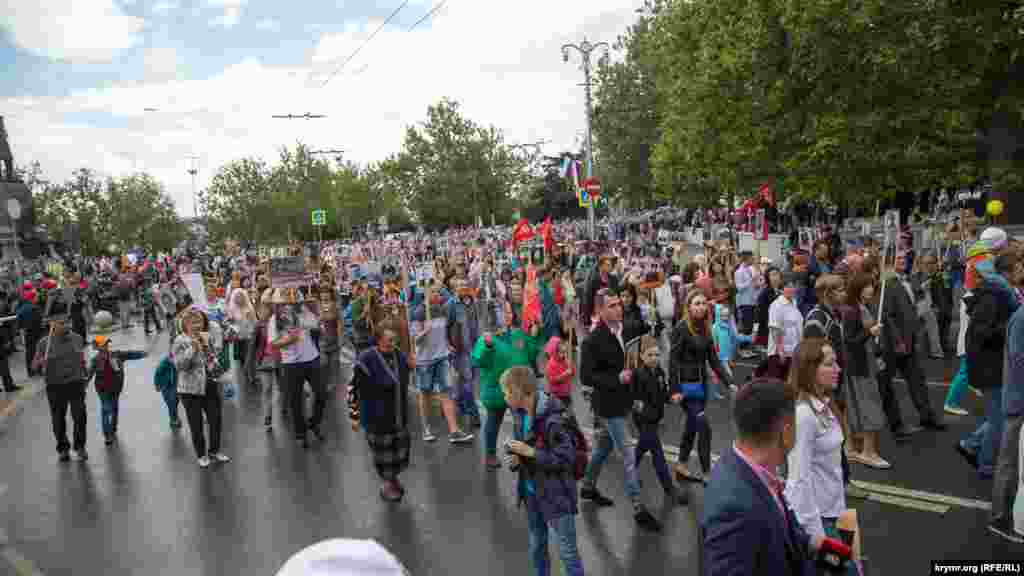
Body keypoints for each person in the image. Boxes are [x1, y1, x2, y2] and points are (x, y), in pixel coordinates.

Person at [702, 380, 854, 576]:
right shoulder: (734, 507)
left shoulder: (756, 470)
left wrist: (838, 556)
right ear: (786, 431)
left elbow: (790, 536)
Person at [580, 288, 661, 531]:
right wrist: (617, 379)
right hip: (607, 406)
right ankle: (638, 508)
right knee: (628, 454)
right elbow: (586, 376)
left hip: (623, 401)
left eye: (619, 304)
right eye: (612, 305)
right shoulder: (592, 340)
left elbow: (629, 361)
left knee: (603, 448)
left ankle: (587, 486)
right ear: (600, 310)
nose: (618, 308)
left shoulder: (624, 330)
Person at [501, 365, 585, 576]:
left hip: (556, 493)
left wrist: (530, 452)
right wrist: (518, 458)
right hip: (532, 491)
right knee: (537, 544)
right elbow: (528, 451)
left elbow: (566, 459)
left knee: (567, 551)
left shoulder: (554, 419)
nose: (504, 396)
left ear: (518, 392)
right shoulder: (521, 413)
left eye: (506, 391)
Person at [785, 338, 860, 575]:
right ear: (810, 369)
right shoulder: (804, 416)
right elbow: (798, 479)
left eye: (836, 363)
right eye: (830, 364)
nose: (837, 369)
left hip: (834, 512)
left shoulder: (825, 406)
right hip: (819, 522)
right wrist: (817, 536)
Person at [670, 290, 732, 484]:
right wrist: (675, 389)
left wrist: (728, 381)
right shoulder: (681, 328)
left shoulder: (705, 328)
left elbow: (713, 359)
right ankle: (707, 473)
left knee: (691, 426)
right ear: (688, 307)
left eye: (704, 303)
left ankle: (681, 464)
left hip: (701, 387)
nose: (701, 306)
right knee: (704, 427)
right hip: (686, 389)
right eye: (697, 303)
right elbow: (673, 360)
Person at [348, 319, 413, 502]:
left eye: (395, 340)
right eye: (389, 340)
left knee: (400, 449)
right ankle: (388, 483)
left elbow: (403, 377)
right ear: (378, 340)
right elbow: (357, 388)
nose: (393, 344)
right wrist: (356, 416)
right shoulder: (366, 359)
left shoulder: (398, 354)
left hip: (398, 413)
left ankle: (393, 479)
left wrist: (410, 366)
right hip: (378, 416)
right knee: (385, 454)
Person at [473, 299, 541, 469]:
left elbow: (531, 355)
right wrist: (487, 346)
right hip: (497, 390)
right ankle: (490, 454)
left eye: (510, 312)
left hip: (517, 391)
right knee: (493, 422)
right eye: (504, 312)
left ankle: (519, 455)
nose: (508, 316)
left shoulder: (518, 334)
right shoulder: (487, 338)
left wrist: (534, 336)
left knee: (520, 423)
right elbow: (478, 360)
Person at [410, 283, 474, 445]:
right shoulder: (418, 313)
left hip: (442, 358)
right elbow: (415, 339)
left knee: (447, 392)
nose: (439, 295)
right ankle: (426, 429)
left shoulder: (442, 310)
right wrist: (424, 331)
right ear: (426, 295)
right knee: (425, 394)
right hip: (425, 361)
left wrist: (447, 344)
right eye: (435, 293)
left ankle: (454, 430)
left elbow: (443, 331)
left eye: (439, 292)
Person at [630, 334, 688, 506]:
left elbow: (662, 394)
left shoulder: (660, 373)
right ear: (642, 356)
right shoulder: (638, 375)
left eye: (656, 354)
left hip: (655, 418)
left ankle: (629, 473)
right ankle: (669, 488)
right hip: (644, 420)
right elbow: (634, 402)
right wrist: (648, 415)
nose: (654, 358)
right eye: (650, 355)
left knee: (641, 448)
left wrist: (672, 398)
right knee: (657, 454)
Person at [172, 306, 230, 468]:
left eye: (198, 321)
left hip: (209, 384)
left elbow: (212, 359)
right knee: (196, 424)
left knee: (215, 420)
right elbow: (179, 366)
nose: (196, 325)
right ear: (185, 325)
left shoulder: (206, 336)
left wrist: (222, 374)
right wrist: (192, 349)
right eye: (192, 322)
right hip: (190, 390)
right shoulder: (179, 340)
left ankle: (215, 451)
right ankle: (201, 454)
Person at [842, 273, 889, 469]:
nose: (871, 289)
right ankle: (867, 452)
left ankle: (851, 448)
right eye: (867, 285)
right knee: (870, 406)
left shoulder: (860, 307)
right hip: (859, 366)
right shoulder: (852, 310)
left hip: (864, 363)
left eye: (872, 285)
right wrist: (870, 332)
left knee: (854, 406)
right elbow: (851, 340)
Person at [269, 288, 327, 447]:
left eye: (295, 299)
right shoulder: (275, 319)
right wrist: (289, 340)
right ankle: (300, 433)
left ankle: (314, 423)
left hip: (311, 359)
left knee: (321, 393)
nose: (291, 302)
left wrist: (316, 310)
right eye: (287, 300)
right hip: (291, 364)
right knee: (295, 401)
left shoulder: (305, 312)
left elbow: (317, 327)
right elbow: (273, 344)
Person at [33, 301, 89, 462]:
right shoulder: (44, 343)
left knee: (80, 416)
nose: (66, 325)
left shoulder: (77, 338)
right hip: (55, 386)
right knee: (58, 419)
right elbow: (34, 366)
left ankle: (80, 447)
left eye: (67, 321)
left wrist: (84, 373)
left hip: (76, 384)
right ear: (52, 324)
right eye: (61, 323)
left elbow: (81, 359)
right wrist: (39, 364)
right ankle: (63, 448)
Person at [992, 291, 1024, 543]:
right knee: (1010, 462)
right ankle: (1001, 518)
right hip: (1018, 401)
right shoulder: (1021, 319)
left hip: (1017, 398)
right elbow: (1018, 360)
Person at [88, 333, 146, 445]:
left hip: (115, 388)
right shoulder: (95, 360)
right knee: (106, 410)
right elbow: (89, 374)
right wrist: (84, 383)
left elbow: (129, 354)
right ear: (97, 348)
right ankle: (107, 435)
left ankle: (113, 429)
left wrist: (141, 354)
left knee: (114, 408)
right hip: (103, 389)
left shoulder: (115, 355)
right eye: (102, 345)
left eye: (106, 344)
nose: (105, 347)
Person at [153, 351, 181, 430]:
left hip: (174, 385)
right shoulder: (163, 363)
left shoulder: (178, 361)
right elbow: (157, 374)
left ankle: (174, 419)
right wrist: (157, 385)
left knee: (174, 402)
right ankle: (174, 419)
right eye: (172, 359)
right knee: (170, 403)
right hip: (165, 386)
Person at [544, 336, 574, 408]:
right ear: (555, 352)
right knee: (560, 411)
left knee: (569, 409)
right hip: (557, 394)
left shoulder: (565, 360)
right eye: (562, 353)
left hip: (566, 392)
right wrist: (564, 374)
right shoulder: (550, 365)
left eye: (565, 352)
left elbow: (572, 373)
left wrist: (571, 367)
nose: (564, 355)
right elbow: (552, 380)